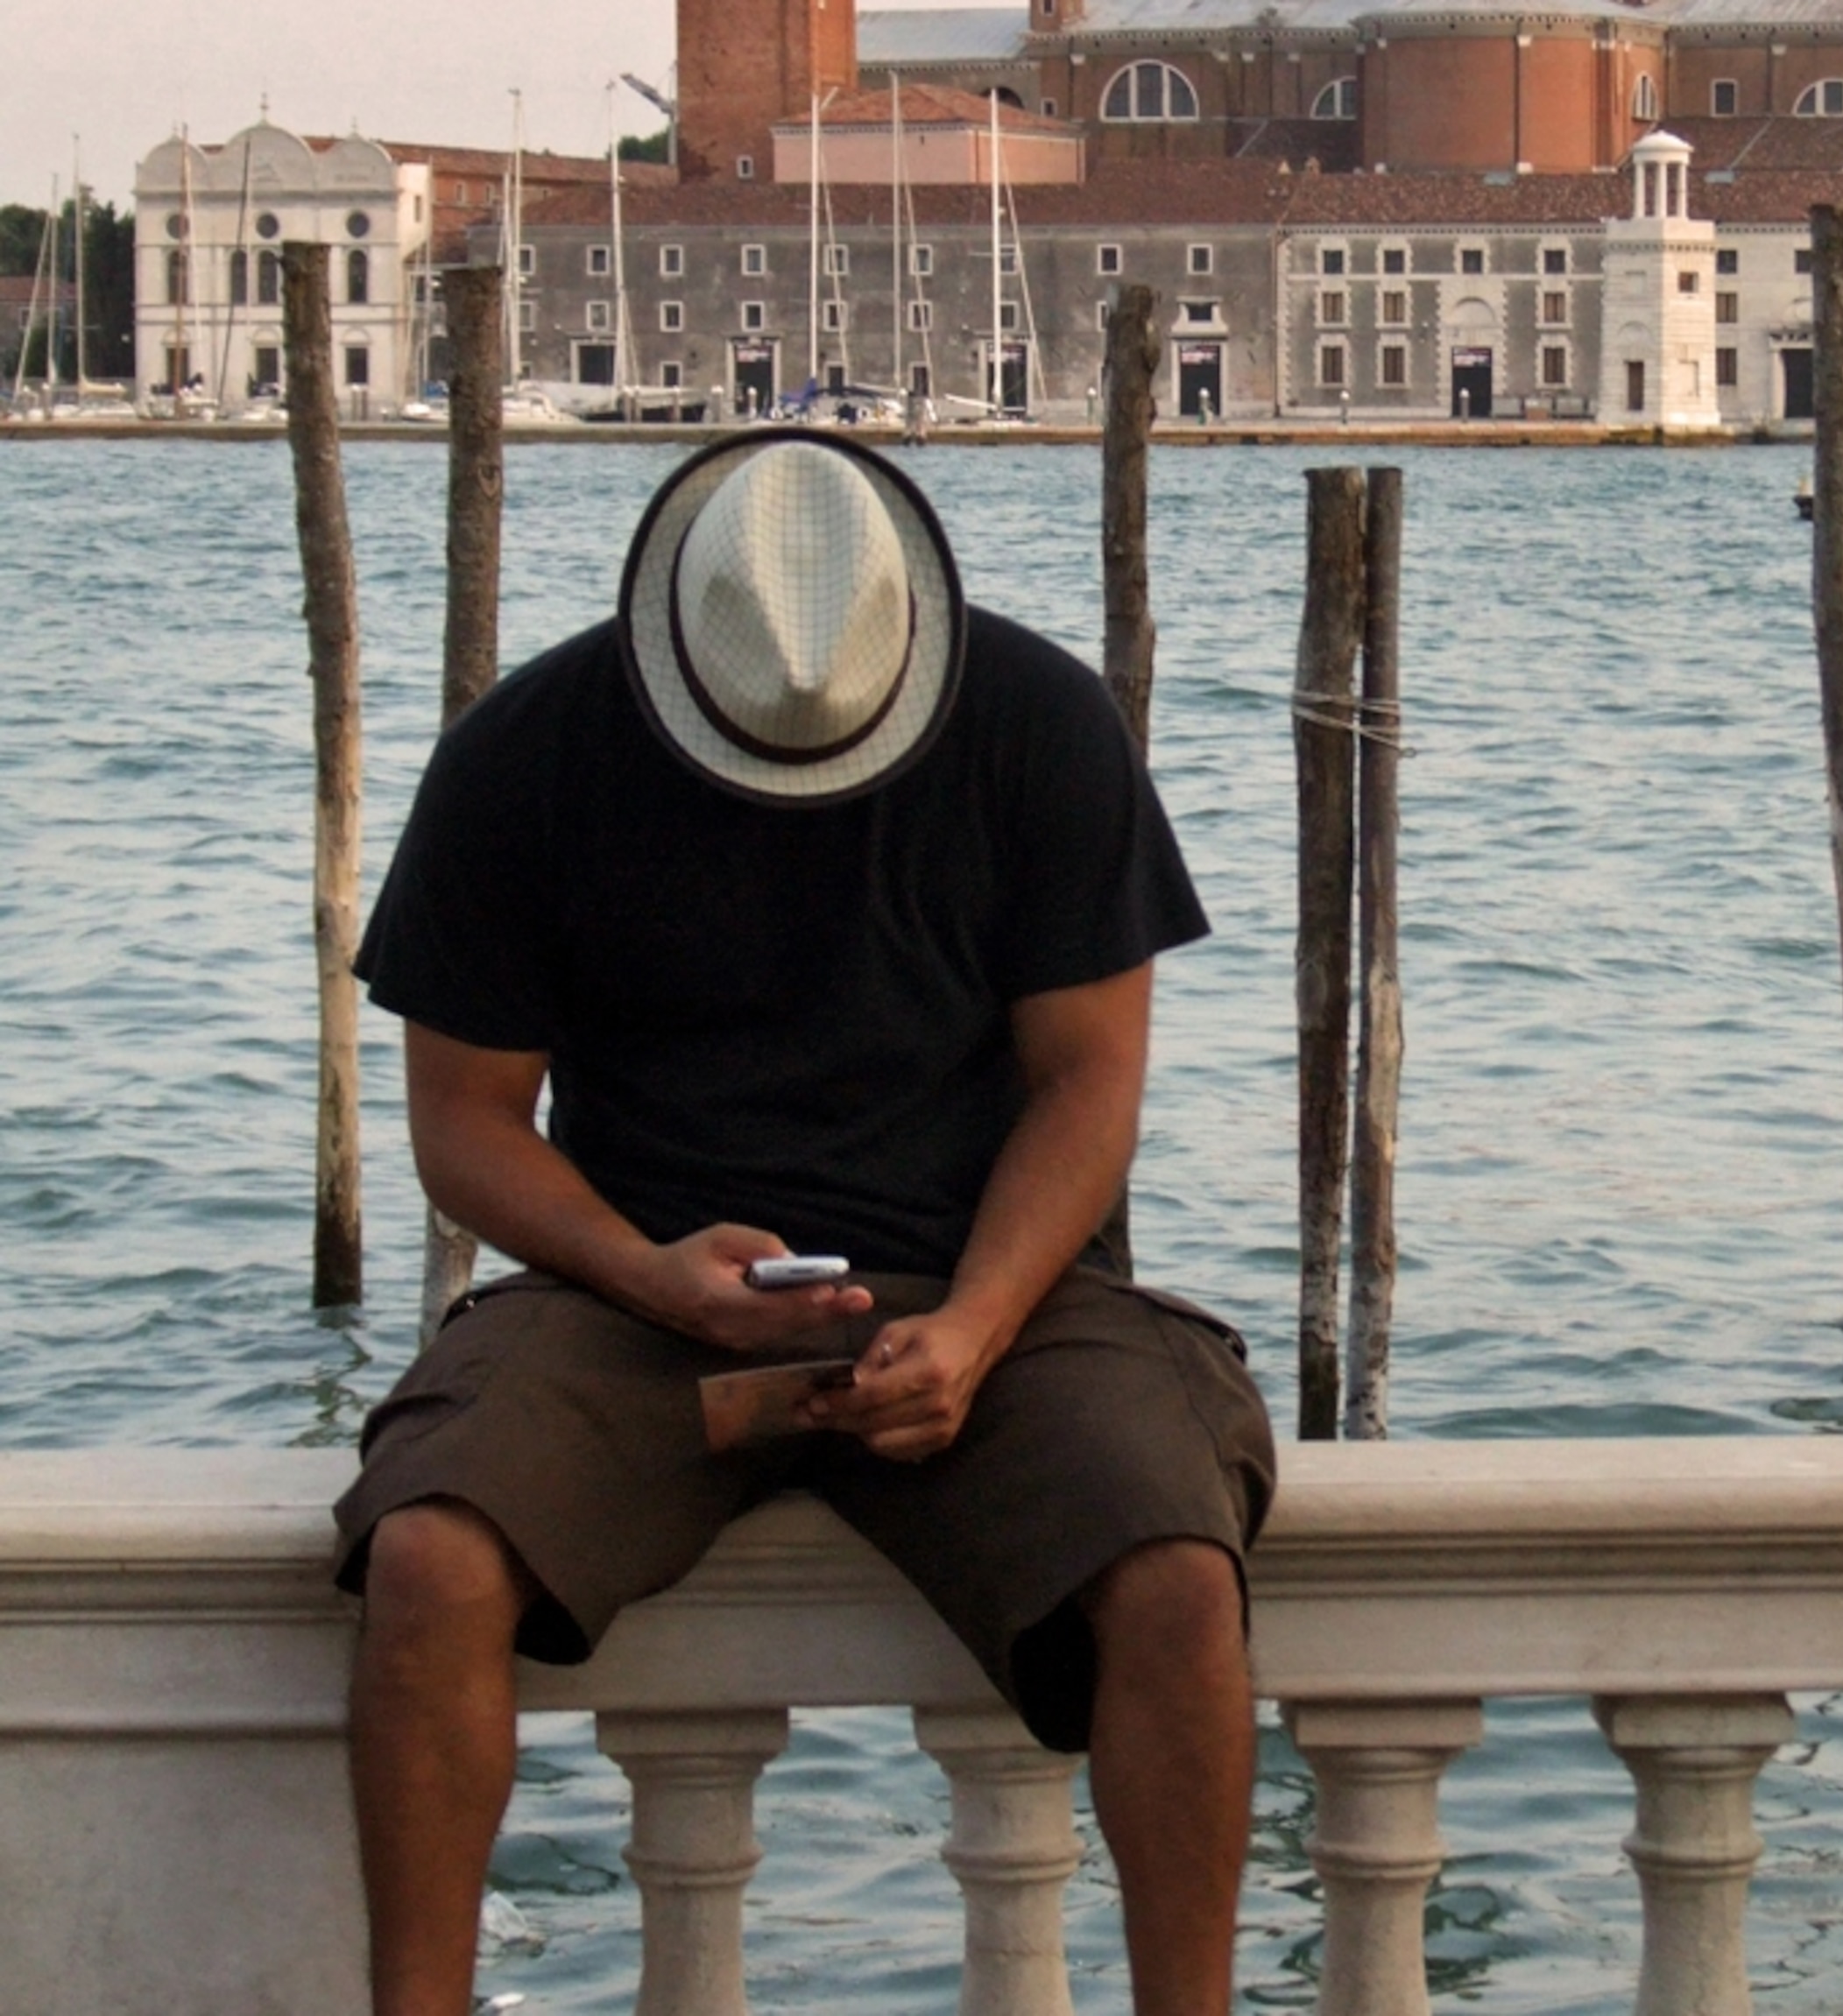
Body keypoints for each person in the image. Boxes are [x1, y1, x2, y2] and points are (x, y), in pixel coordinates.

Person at [335, 429, 1276, 2016]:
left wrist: (973, 1324)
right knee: (428, 1554)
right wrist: (651, 1276)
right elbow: (465, 1125)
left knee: (1177, 1572)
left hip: (997, 1292)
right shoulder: (526, 752)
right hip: (636, 1297)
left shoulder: (1043, 724)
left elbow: (1088, 1087)